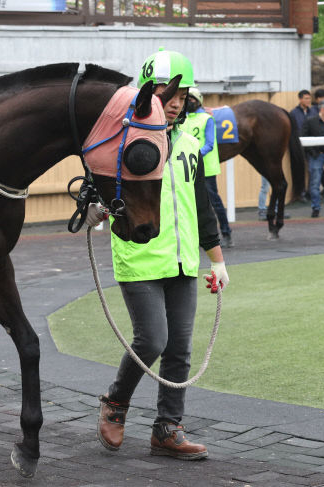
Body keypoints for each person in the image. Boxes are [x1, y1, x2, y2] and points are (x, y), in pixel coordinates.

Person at [87, 49, 229, 460]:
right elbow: (94, 194)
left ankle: (168, 428)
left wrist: (217, 260)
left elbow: (201, 206)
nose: (172, 102)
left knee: (180, 349)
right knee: (152, 340)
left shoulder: (188, 142)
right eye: (165, 94)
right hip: (141, 257)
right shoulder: (123, 143)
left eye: (179, 96)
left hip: (184, 261)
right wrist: (96, 208)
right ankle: (116, 403)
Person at [178, 87, 232, 248]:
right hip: (187, 170)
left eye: (192, 99)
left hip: (206, 169)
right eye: (187, 100)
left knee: (213, 202)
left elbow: (209, 144)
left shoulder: (207, 119)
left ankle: (226, 232)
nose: (189, 102)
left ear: (199, 101)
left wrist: (192, 155)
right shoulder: (182, 119)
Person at [307, 89, 324, 198]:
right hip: (314, 148)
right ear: (317, 99)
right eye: (323, 98)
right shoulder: (312, 112)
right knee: (315, 172)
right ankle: (313, 195)